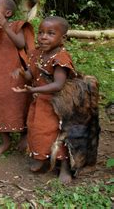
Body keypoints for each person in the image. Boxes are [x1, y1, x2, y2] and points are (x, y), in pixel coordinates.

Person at [13, 16, 75, 184]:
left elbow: (58, 85)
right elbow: (31, 75)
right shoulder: (37, 54)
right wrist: (20, 72)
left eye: (50, 33)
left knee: (58, 134)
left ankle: (65, 167)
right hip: (41, 103)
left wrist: (34, 89)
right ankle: (42, 157)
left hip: (57, 104)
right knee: (36, 129)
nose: (43, 37)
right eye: (40, 33)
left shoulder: (60, 58)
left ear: (62, 38)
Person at [0, 0, 35, 157]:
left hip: (15, 75)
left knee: (19, 103)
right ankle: (5, 141)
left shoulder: (17, 26)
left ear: (8, 13)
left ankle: (24, 135)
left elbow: (20, 44)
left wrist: (4, 25)